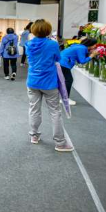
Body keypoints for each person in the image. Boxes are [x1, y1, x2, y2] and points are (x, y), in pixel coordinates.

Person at [25, 19, 73, 152]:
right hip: (49, 82)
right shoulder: (53, 44)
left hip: (33, 81)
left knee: (34, 109)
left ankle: (34, 136)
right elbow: (58, 58)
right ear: (48, 30)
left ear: (33, 30)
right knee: (55, 112)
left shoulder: (29, 44)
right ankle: (60, 143)